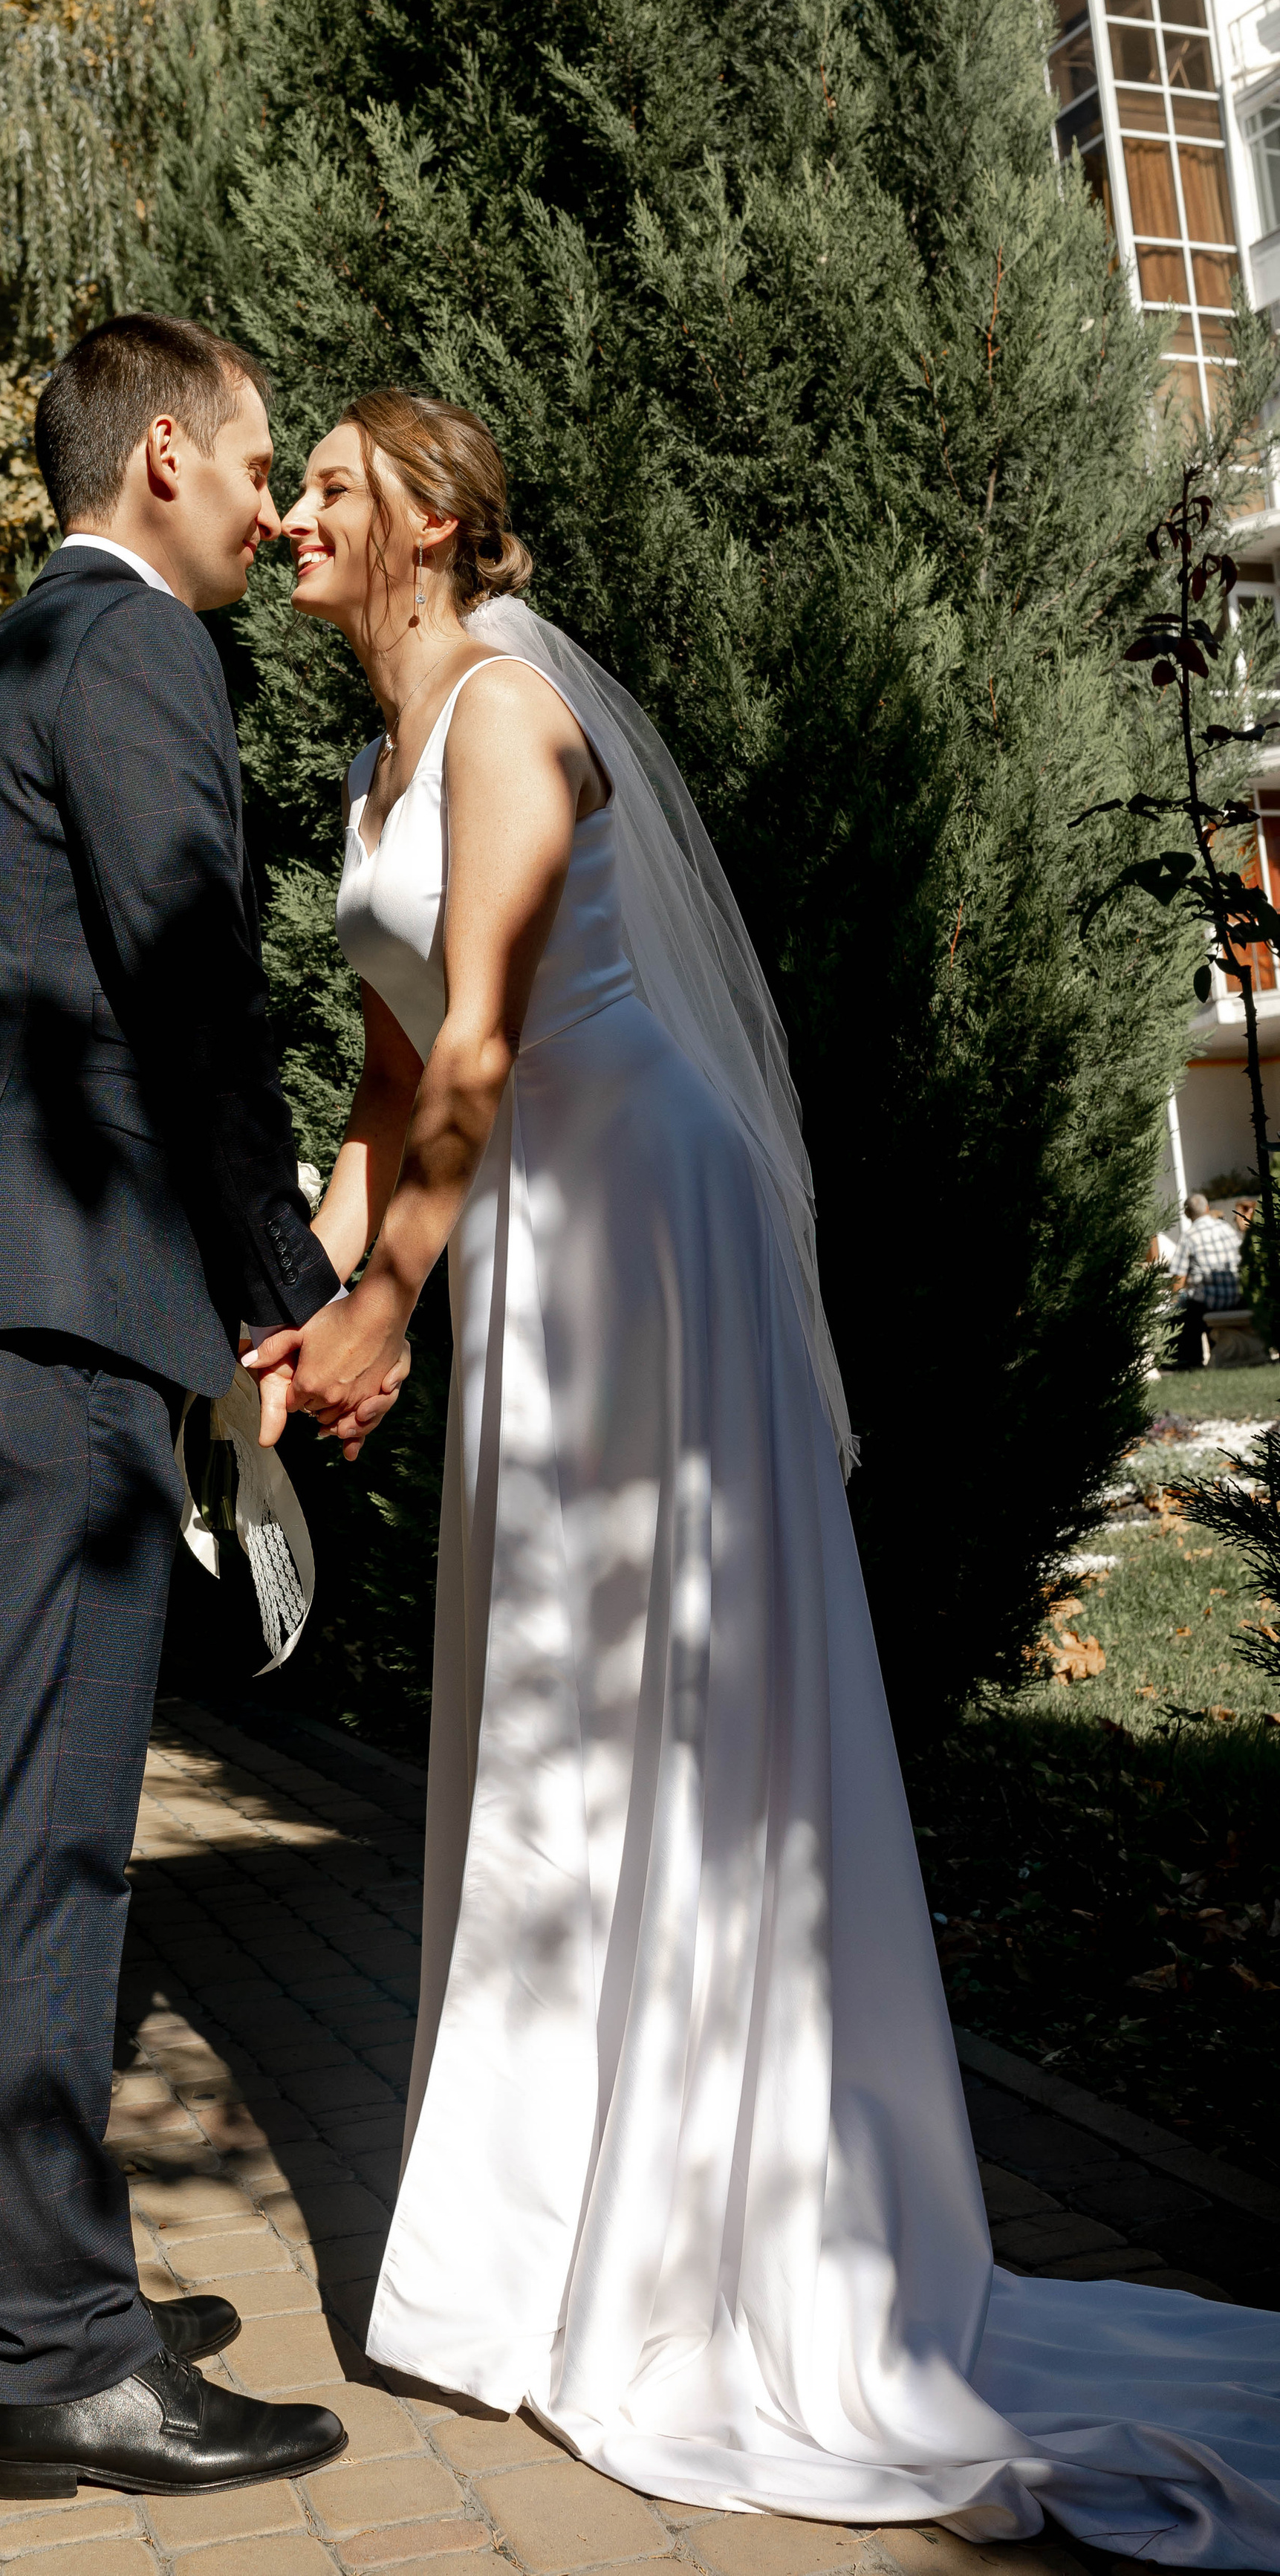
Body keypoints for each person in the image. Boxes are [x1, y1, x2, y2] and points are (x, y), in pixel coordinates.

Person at [246, 389, 1280, 2558]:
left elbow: (490, 1039)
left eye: (332, 482)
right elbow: (377, 1099)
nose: (292, 510)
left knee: (659, 1706)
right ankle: (544, 2237)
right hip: (520, 1233)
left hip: (637, 1219)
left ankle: (711, 2239)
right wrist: (290, 1318)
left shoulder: (515, 715)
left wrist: (388, 1311)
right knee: (549, 1712)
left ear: (432, 520)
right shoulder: (368, 770)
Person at [0, 315, 384, 2505]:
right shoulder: (144, 652)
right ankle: (61, 2351)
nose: (269, 502)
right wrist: (302, 1299)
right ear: (165, 456)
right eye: (255, 460)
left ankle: (1, 2299)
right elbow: (185, 991)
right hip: (47, 1317)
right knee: (42, 1828)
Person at [1169, 1188, 1242, 1370]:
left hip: (1205, 1305)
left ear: (1187, 1214)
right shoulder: (1226, 1229)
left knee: (1180, 1311)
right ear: (1208, 1208)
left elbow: (1179, 1276)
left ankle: (1191, 1362)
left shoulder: (1189, 1236)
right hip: (1235, 1297)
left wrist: (1173, 1300)